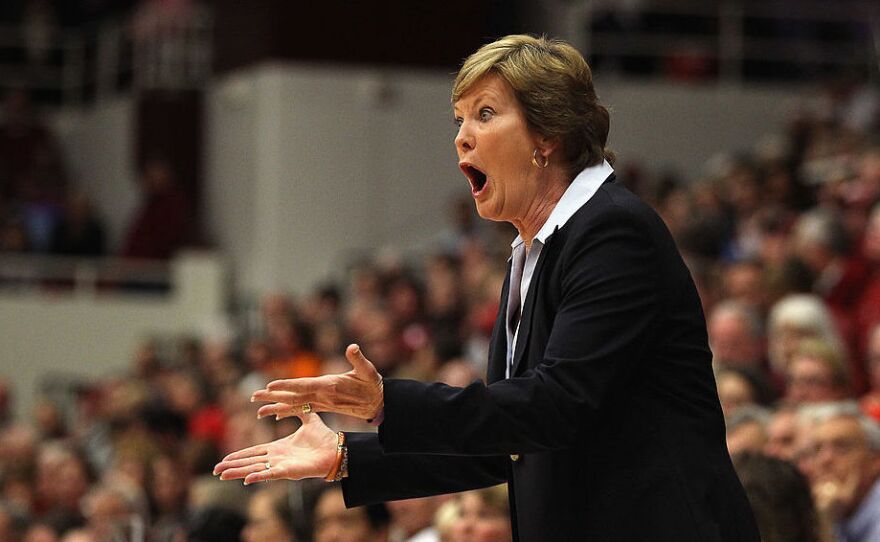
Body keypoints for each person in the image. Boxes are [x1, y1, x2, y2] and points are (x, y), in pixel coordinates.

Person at [214, 34, 759, 541]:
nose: (461, 136)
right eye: (459, 119)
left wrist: (388, 402)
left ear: (548, 134)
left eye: (486, 114)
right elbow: (508, 446)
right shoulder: (531, 252)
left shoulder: (613, 231)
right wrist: (345, 455)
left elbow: (555, 405)